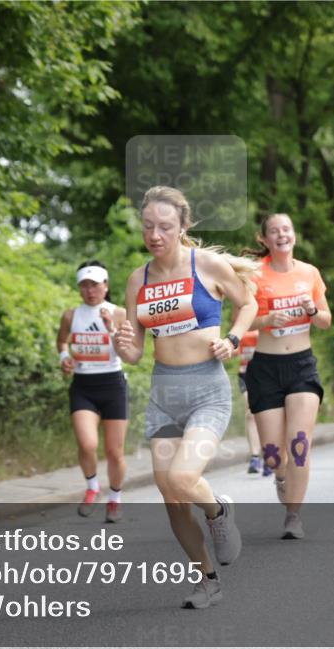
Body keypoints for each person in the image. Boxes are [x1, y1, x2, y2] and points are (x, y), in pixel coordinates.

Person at [112, 185, 258, 609]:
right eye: (148, 226)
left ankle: (217, 512)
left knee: (181, 477)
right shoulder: (137, 279)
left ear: (182, 227)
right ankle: (207, 580)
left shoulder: (207, 265)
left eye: (165, 226)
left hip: (207, 391)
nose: (154, 234)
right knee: (172, 496)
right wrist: (124, 346)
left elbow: (247, 304)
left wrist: (232, 338)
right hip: (163, 393)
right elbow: (136, 352)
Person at [243, 213, 331, 539]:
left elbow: (325, 320)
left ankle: (294, 516)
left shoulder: (309, 273)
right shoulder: (253, 275)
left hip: (301, 366)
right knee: (273, 454)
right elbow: (243, 320)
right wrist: (266, 320)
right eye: (274, 231)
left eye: (287, 229)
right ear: (264, 239)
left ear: (294, 235)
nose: (282, 235)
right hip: (265, 367)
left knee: (300, 443)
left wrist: (311, 310)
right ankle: (280, 475)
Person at [57, 261, 129, 522]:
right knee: (87, 444)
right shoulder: (70, 315)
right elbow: (62, 340)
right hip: (83, 386)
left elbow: (128, 351)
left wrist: (111, 328)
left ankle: (115, 499)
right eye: (84, 285)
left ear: (106, 286)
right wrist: (64, 357)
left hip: (113, 385)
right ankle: (92, 488)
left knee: (114, 452)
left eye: (95, 285)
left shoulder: (118, 313)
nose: (90, 291)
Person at [234, 327, 263, 474]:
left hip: (266, 376)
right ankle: (255, 457)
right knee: (250, 413)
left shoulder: (268, 329)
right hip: (245, 376)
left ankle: (271, 451)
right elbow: (233, 352)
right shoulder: (241, 331)